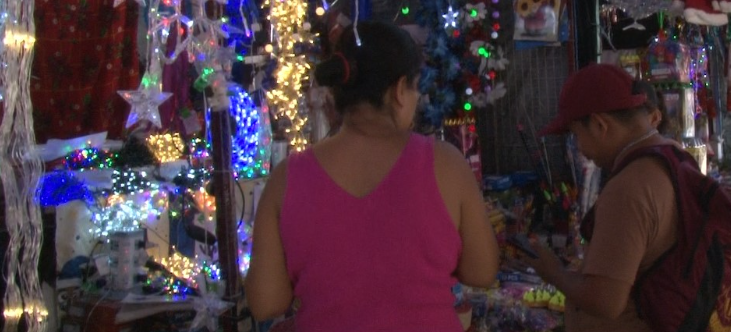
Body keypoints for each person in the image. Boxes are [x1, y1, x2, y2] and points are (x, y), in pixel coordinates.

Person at [246, 20, 499, 330]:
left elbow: (265, 302)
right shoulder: (447, 164)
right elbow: (482, 271)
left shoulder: (286, 178)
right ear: (399, 91)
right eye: (416, 88)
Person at [527, 63, 679, 332]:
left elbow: (606, 302)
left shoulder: (628, 188)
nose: (581, 150)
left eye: (576, 136)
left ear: (599, 125)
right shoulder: (673, 155)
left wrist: (554, 273)